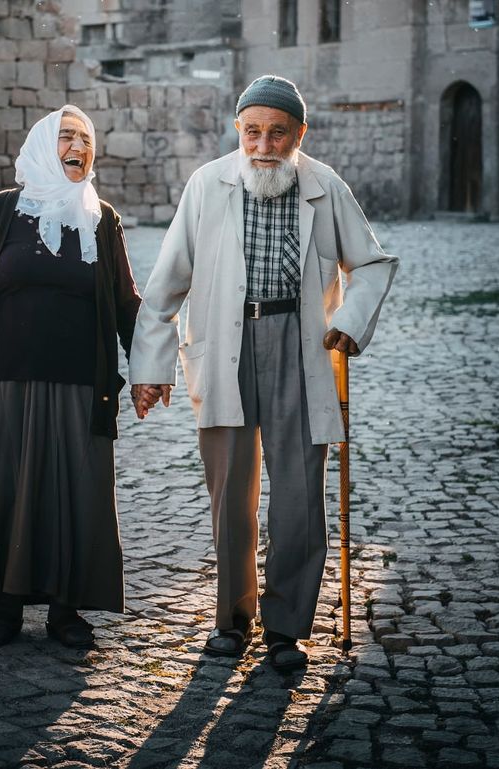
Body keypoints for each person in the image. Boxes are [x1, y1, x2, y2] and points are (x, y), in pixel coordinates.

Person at [128, 75, 398, 672]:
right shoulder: (207, 184)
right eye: (253, 132)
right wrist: (151, 366)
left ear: (299, 134)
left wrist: (349, 321)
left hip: (300, 347)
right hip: (225, 341)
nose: (264, 145)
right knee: (232, 495)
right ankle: (231, 618)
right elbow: (168, 280)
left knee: (300, 496)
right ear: (238, 131)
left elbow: (373, 265)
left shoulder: (325, 187)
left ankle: (286, 627)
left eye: (278, 133)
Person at [0, 105, 141, 649]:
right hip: (5, 385)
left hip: (81, 386)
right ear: (43, 144)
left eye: (86, 139)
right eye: (66, 136)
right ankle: (3, 605)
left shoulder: (103, 220)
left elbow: (126, 304)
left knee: (76, 491)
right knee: (5, 490)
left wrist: (147, 369)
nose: (78, 146)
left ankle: (66, 609)